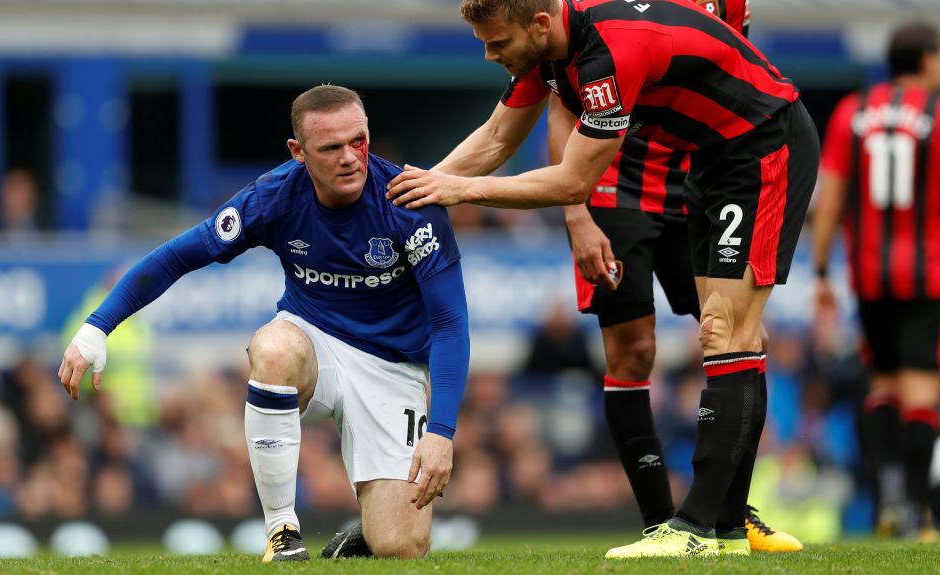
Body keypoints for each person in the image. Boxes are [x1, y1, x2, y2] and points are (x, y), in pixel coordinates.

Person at [386, 0, 819, 558]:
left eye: (496, 43)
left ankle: (696, 529)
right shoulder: (550, 54)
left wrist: (461, 191)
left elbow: (572, 181)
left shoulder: (607, 53)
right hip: (714, 156)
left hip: (761, 144)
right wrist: (413, 190)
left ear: (539, 25)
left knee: (726, 332)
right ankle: (725, 529)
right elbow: (496, 139)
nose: (489, 54)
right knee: (718, 335)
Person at [58, 85, 470, 562]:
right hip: (313, 343)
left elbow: (449, 322)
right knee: (272, 349)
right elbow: (177, 256)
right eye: (330, 148)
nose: (350, 158)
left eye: (358, 141)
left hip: (393, 367)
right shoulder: (274, 196)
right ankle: (282, 531)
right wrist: (97, 326)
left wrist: (441, 432)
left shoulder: (410, 203)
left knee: (402, 547)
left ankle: (364, 533)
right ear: (298, 153)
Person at [544, 0, 799, 554]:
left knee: (741, 331)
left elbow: (734, 66)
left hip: (703, 175)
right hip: (612, 186)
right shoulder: (588, 14)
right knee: (633, 350)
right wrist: (576, 211)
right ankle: (663, 521)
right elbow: (560, 101)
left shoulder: (729, 3)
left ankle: (727, 512)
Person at [814, 21, 940, 540]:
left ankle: (887, 499)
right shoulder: (936, 115)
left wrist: (821, 269)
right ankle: (916, 510)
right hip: (927, 274)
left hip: (867, 275)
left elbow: (831, 195)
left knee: (882, 385)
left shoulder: (853, 111)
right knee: (922, 391)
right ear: (927, 61)